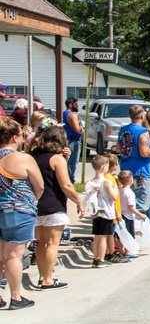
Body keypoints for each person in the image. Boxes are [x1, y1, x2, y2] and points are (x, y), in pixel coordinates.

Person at [29, 123, 85, 289]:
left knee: (41, 243)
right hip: (54, 204)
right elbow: (66, 185)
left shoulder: (33, 156)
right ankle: (48, 279)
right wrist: (79, 201)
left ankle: (41, 276)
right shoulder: (56, 159)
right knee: (53, 244)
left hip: (36, 204)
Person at [0, 117, 43, 309]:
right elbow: (39, 186)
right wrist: (33, 201)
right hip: (18, 210)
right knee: (13, 256)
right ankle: (16, 297)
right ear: (15, 137)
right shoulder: (22, 158)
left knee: (1, 255)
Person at [118, 104, 150, 223]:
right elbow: (144, 152)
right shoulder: (143, 132)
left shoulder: (123, 130)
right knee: (141, 205)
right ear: (142, 116)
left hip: (125, 168)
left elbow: (118, 148)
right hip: (140, 171)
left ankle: (129, 229)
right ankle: (136, 230)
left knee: (128, 202)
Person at [86, 154, 118, 268]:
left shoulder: (91, 182)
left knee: (97, 236)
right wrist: (115, 189)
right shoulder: (106, 182)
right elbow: (114, 197)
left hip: (95, 212)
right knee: (103, 237)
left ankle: (95, 258)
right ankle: (100, 258)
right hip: (106, 211)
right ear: (103, 166)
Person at [62, 97, 83, 184]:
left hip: (66, 139)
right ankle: (70, 180)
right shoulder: (72, 115)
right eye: (75, 104)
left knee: (66, 161)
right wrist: (83, 130)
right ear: (70, 105)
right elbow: (77, 129)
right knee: (72, 162)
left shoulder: (64, 114)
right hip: (73, 141)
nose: (77, 106)